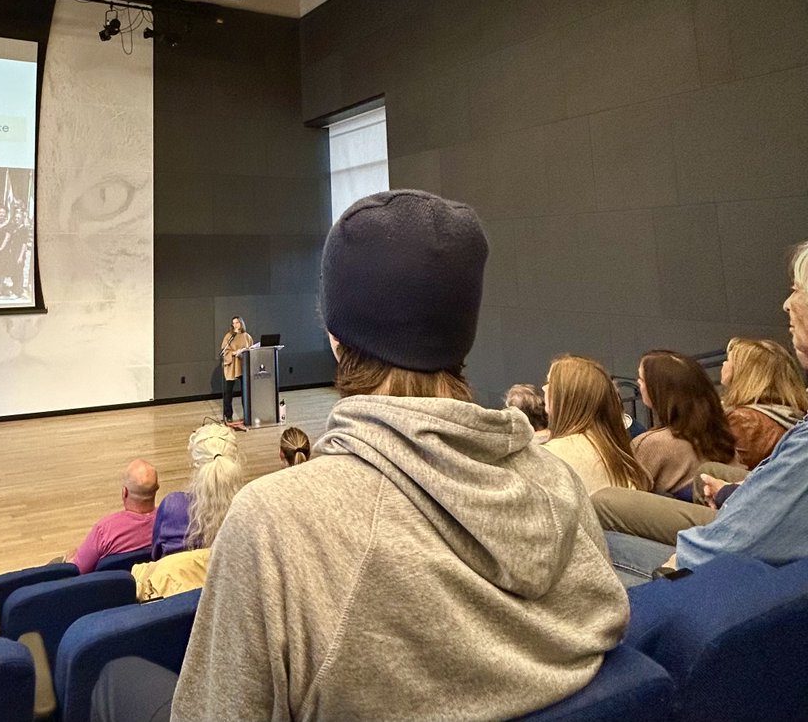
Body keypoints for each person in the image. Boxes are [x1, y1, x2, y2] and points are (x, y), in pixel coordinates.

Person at [89, 191, 627, 722]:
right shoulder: (560, 482)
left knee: (114, 678)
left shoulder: (275, 523)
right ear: (464, 330)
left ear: (335, 339)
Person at [606, 241, 808, 587]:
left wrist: (678, 563)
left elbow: (746, 533)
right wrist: (731, 493)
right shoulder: (765, 418)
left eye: (796, 290)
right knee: (706, 473)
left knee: (603, 521)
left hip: (718, 575)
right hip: (744, 530)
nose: (786, 304)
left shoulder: (739, 424)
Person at [132, 439, 243, 601]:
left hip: (173, 601)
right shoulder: (247, 508)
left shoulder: (173, 505)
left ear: (195, 467)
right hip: (228, 599)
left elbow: (155, 553)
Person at [542, 355, 654, 496]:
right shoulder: (614, 447)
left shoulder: (550, 456)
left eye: (549, 382)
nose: (544, 388)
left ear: (569, 396)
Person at [633, 350, 739, 497]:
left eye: (641, 379)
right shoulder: (724, 435)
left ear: (661, 391)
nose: (638, 383)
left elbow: (626, 499)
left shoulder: (650, 444)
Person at [151, 422, 241, 560]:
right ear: (235, 460)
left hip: (179, 580)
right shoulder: (249, 507)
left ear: (195, 464)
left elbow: (156, 556)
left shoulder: (172, 506)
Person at [720, 337, 808, 468]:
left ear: (744, 373)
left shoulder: (743, 421)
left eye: (728, 360)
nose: (723, 364)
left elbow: (725, 472)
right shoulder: (794, 416)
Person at [68, 460, 159, 575]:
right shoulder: (169, 522)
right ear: (157, 489)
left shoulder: (104, 531)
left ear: (124, 492)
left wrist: (69, 558)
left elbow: (76, 570)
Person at [218, 317, 253, 423]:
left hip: (243, 365)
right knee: (228, 392)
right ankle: (228, 415)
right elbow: (224, 351)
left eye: (237, 322)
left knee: (246, 392)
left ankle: (247, 414)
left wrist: (244, 351)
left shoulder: (247, 336)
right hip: (232, 366)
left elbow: (251, 349)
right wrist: (234, 352)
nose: (235, 325)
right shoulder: (229, 336)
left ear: (241, 323)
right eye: (233, 323)